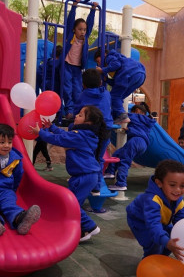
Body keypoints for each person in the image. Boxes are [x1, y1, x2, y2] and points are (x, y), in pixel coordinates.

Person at [31, 106, 108, 242]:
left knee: (73, 205)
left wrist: (40, 133)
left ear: (88, 122)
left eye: (80, 115)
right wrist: (52, 127)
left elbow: (58, 140)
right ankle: (83, 230)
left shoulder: (79, 135)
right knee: (70, 202)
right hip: (86, 175)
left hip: (85, 175)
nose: (76, 116)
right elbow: (64, 135)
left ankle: (90, 226)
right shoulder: (84, 135)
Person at [126, 160, 184, 259]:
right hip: (140, 220)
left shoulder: (179, 202)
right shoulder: (152, 200)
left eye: (182, 186)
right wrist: (166, 242)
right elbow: (153, 225)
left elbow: (180, 222)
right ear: (159, 183)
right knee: (154, 243)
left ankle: (160, 259)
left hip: (158, 221)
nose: (178, 190)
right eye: (172, 185)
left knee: (174, 238)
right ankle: (149, 262)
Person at [74, 69, 113, 194]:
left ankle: (91, 183)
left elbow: (77, 110)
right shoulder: (107, 94)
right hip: (106, 129)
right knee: (99, 158)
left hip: (91, 130)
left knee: (88, 157)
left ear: (83, 84)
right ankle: (97, 185)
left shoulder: (83, 95)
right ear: (101, 82)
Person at [105, 104, 156, 190]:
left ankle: (121, 183)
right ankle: (110, 172)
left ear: (138, 111)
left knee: (125, 160)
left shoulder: (135, 116)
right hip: (143, 145)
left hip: (135, 141)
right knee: (117, 153)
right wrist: (129, 130)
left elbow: (121, 116)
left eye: (133, 111)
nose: (132, 113)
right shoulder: (147, 121)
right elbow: (139, 129)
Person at [62, 0, 98, 119]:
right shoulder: (70, 35)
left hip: (77, 68)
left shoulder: (86, 38)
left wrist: (93, 10)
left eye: (84, 30)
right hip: (67, 65)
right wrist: (74, 6)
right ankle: (69, 110)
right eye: (80, 29)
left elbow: (90, 23)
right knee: (67, 89)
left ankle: (77, 111)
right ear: (74, 29)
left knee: (77, 90)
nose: (82, 32)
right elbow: (70, 20)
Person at [94, 49, 146, 124]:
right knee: (119, 96)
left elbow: (117, 64)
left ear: (104, 54)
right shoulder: (121, 60)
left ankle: (122, 115)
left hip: (129, 74)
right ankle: (118, 114)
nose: (98, 64)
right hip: (140, 75)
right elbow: (116, 83)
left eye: (98, 61)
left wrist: (103, 70)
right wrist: (107, 80)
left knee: (114, 96)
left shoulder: (109, 57)